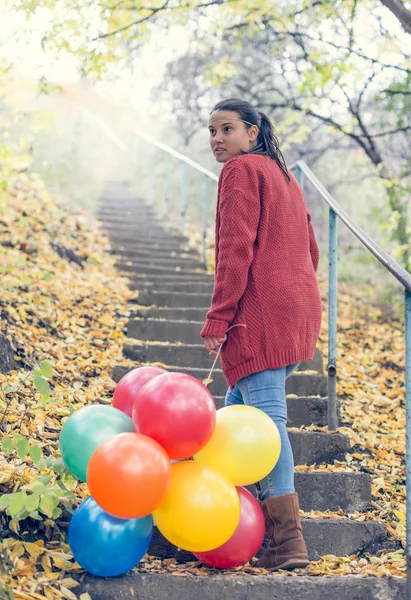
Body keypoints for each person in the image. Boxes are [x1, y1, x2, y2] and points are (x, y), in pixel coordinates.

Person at [200, 98, 322, 571]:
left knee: (268, 425)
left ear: (252, 133)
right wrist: (292, 291)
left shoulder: (241, 171)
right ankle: (222, 516)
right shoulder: (285, 177)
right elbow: (310, 249)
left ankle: (289, 541)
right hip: (296, 309)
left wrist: (219, 316)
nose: (216, 139)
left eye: (226, 129)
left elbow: (234, 248)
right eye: (211, 131)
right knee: (234, 415)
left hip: (261, 314)